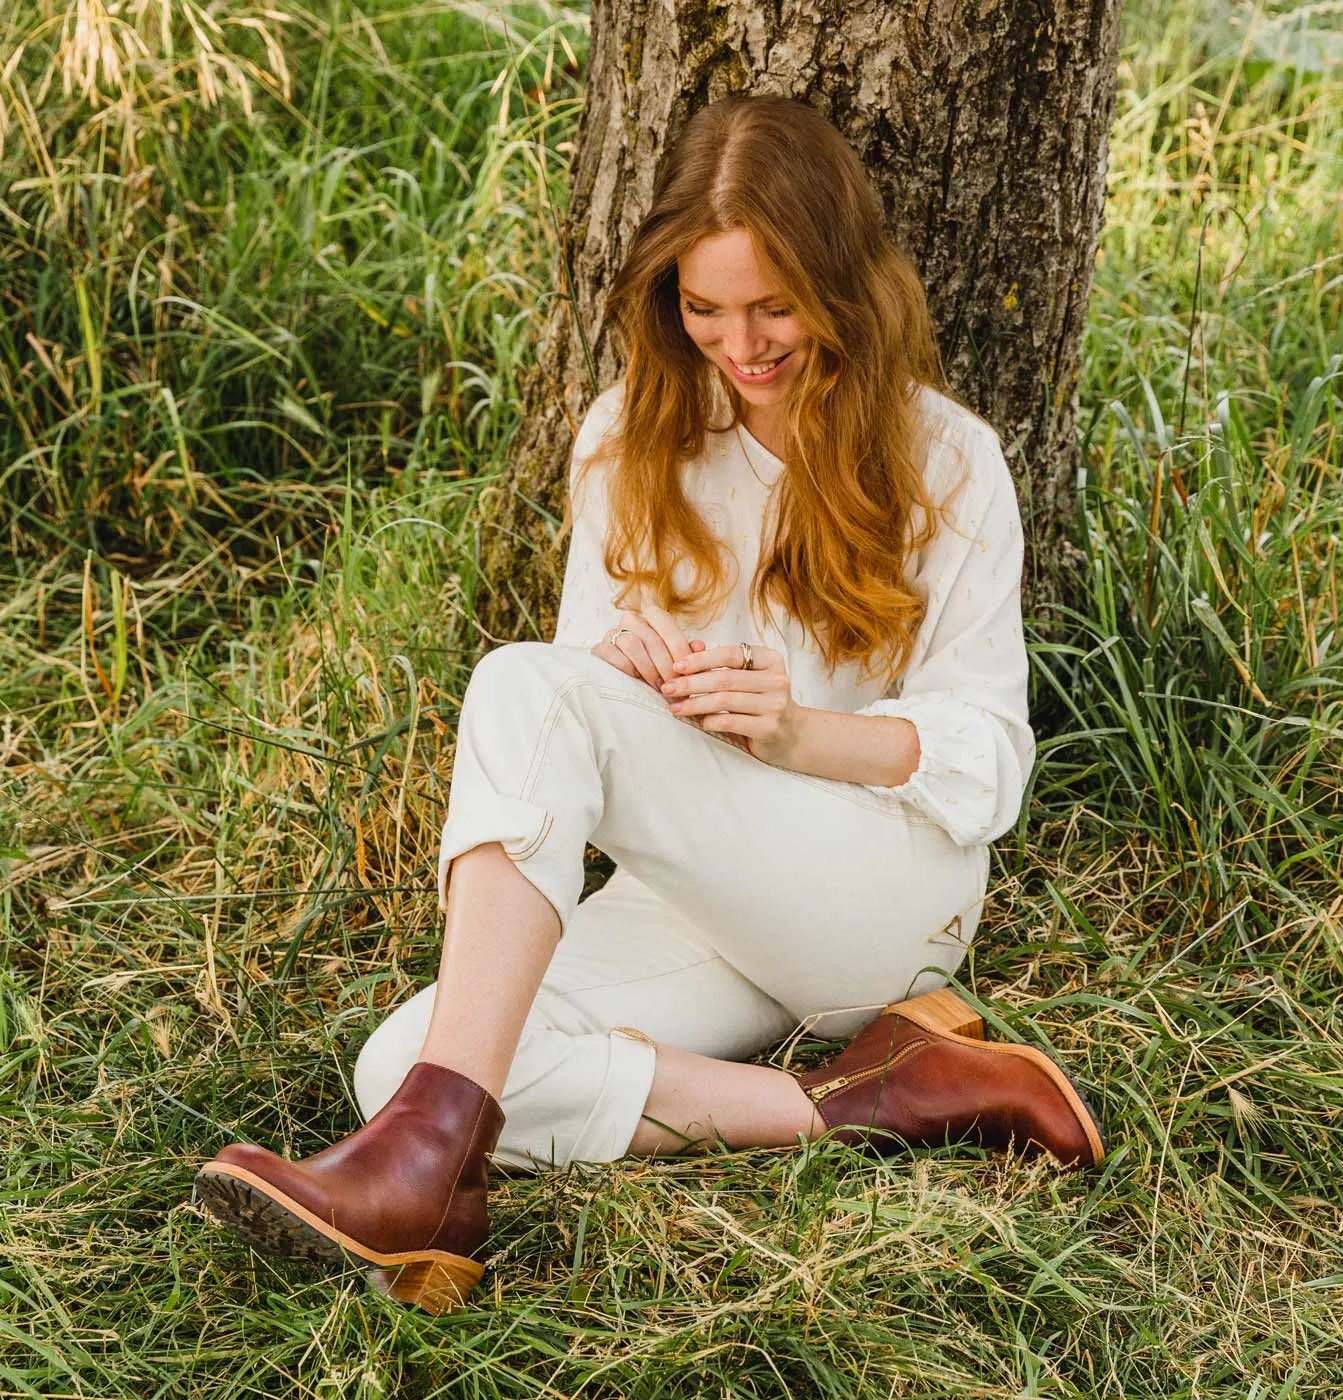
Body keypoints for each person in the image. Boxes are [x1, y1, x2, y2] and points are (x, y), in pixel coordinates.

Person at [194, 92, 1105, 1316]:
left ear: (840, 281)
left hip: (878, 898)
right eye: (705, 307)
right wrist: (625, 677)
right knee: (401, 1061)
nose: (742, 343)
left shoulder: (945, 458)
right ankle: (870, 1098)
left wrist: (789, 730)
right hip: (689, 888)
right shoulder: (629, 436)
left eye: (774, 305)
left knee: (522, 686)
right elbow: (568, 726)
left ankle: (429, 1178)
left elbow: (987, 764)